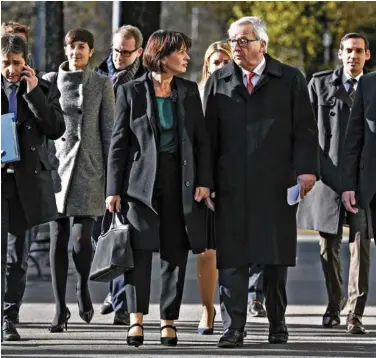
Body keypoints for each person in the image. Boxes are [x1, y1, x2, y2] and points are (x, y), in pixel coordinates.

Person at [204, 16, 319, 347]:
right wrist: (205, 180)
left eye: (243, 41)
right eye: (232, 41)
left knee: (273, 260)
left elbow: (306, 131)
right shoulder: (220, 80)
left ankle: (277, 322)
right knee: (232, 260)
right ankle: (233, 328)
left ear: (262, 45)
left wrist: (306, 171)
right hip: (231, 186)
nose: (236, 47)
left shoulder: (290, 79)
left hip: (276, 183)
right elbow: (208, 137)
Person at [106, 30, 212, 347]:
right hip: (139, 187)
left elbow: (202, 142)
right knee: (138, 254)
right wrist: (113, 189)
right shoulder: (131, 91)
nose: (187, 57)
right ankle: (136, 321)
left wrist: (204, 181)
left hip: (181, 184)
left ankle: (168, 322)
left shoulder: (189, 91)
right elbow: (118, 146)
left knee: (174, 254)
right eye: (181, 51)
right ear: (162, 55)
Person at [297, 33, 372, 334]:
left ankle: (355, 312)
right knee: (327, 248)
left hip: (364, 179)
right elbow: (306, 131)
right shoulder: (319, 83)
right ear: (339, 54)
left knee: (361, 245)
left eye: (359, 51)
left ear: (367, 55)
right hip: (328, 176)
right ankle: (334, 302)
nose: (353, 56)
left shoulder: (373, 87)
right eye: (348, 51)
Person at [43, 28, 115, 332]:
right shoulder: (49, 81)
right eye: (71, 47)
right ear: (66, 49)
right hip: (56, 167)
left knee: (81, 239)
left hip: (88, 167)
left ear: (90, 51)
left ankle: (83, 287)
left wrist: (112, 177)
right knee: (58, 238)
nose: (75, 52)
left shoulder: (101, 83)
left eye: (81, 47)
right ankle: (60, 309)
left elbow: (109, 129)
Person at [1, 34, 65, 341]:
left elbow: (55, 129)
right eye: (5, 64)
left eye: (16, 63)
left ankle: (8, 318)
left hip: (26, 183)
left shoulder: (44, 89)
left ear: (27, 63)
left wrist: (33, 92)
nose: (11, 70)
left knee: (18, 258)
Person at [94, 24, 144, 326]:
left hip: (130, 168)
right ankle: (114, 289)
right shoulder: (98, 76)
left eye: (126, 52)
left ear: (137, 51)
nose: (120, 56)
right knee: (104, 233)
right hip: (98, 166)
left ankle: (123, 302)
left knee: (126, 234)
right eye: (116, 50)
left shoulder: (143, 81)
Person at [341, 71, 376, 334]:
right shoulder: (368, 83)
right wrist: (348, 185)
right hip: (368, 184)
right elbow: (353, 137)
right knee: (359, 249)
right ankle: (354, 313)